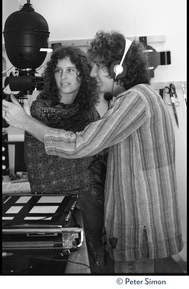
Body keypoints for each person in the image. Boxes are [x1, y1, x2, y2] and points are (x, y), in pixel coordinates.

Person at [3, 31, 184, 274]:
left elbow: (82, 144)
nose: (92, 73)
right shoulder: (141, 97)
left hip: (139, 218)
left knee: (136, 277)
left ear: (117, 69)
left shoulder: (135, 100)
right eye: (59, 70)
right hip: (141, 216)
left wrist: (26, 123)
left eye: (98, 66)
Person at [4, 46, 107, 274]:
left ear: (82, 74)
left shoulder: (90, 114)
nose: (64, 76)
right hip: (50, 201)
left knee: (93, 261)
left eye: (71, 70)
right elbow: (41, 157)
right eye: (59, 71)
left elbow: (88, 152)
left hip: (89, 199)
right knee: (53, 266)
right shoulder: (39, 110)